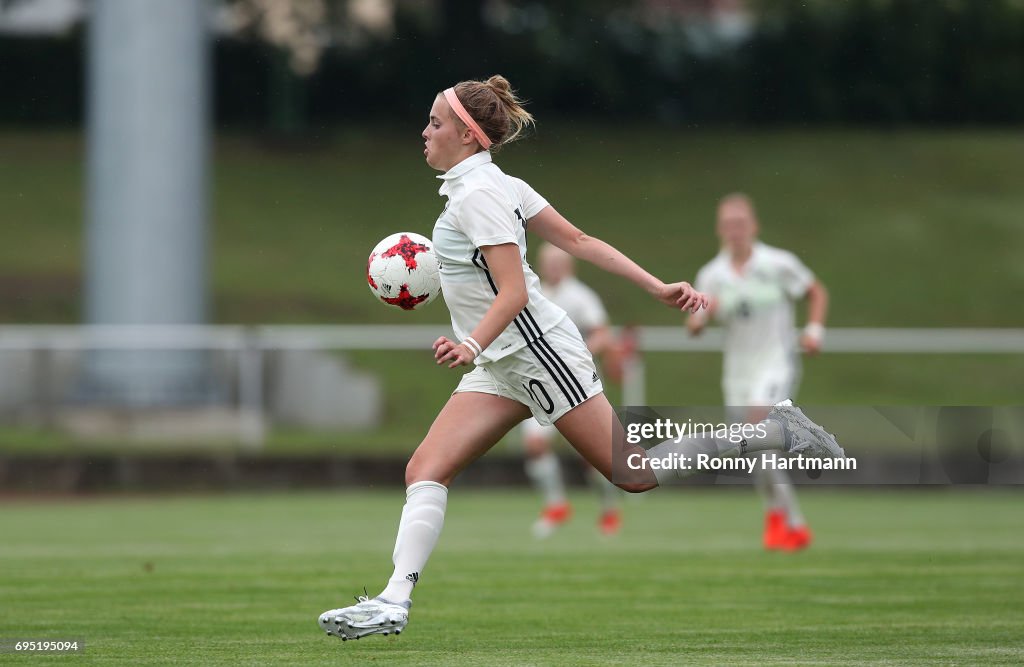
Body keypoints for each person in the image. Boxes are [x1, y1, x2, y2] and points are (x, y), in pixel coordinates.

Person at [318, 76, 844, 641]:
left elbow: (515, 292)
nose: (425, 132)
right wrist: (656, 285)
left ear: (468, 138)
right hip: (502, 363)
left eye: (436, 123)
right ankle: (394, 601)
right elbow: (580, 240)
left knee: (632, 474)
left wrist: (470, 342)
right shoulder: (490, 184)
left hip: (539, 354)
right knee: (425, 469)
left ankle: (771, 429)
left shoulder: (481, 195)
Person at [687, 193, 829, 551]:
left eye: (741, 223)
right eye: (728, 225)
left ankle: (792, 522)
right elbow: (695, 321)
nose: (735, 231)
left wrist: (814, 331)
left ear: (754, 226)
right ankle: (779, 519)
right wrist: (700, 318)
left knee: (756, 424)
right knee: (753, 449)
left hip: (776, 363)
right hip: (737, 371)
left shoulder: (778, 263)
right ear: (720, 230)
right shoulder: (712, 274)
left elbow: (815, 291)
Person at [522, 243, 622, 538]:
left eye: (558, 262)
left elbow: (603, 334)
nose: (552, 267)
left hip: (578, 385)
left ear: (569, 266)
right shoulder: (534, 293)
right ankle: (556, 505)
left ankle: (609, 509)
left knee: (594, 456)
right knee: (535, 446)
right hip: (541, 385)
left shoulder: (581, 297)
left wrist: (574, 356)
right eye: (547, 262)